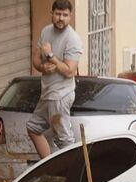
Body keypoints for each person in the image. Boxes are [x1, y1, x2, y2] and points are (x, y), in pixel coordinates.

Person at [29, 0, 83, 158]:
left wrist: (51, 57)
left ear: (70, 17)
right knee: (33, 128)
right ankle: (49, 168)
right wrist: (42, 67)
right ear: (51, 14)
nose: (61, 18)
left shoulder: (73, 39)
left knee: (64, 140)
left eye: (65, 15)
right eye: (58, 14)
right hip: (47, 93)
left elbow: (69, 71)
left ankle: (72, 176)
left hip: (60, 96)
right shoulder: (46, 31)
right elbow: (36, 59)